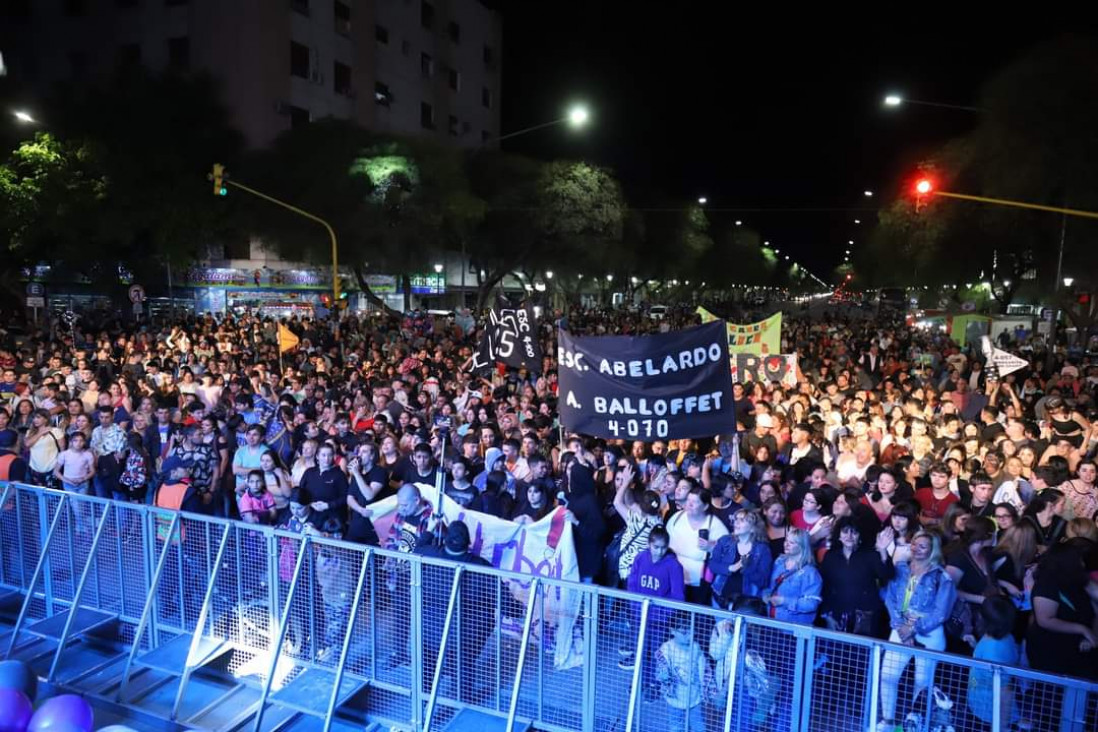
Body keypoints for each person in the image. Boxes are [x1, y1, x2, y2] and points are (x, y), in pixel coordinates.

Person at [877, 531, 956, 732]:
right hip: (900, 628)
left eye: (922, 546)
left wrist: (912, 629)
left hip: (929, 633)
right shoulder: (900, 568)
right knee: (887, 675)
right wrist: (900, 626)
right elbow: (889, 597)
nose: (916, 548)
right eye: (914, 543)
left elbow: (941, 612)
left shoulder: (941, 576)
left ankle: (916, 723)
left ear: (932, 550)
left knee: (922, 682)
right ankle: (888, 721)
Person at [1026, 538, 1098, 679]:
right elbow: (1045, 619)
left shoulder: (1078, 581)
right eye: (1079, 560)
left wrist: (1092, 635)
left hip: (1080, 653)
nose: (1083, 564)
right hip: (1052, 654)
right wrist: (1082, 629)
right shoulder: (1047, 584)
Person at [818, 516, 893, 636]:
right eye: (845, 531)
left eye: (854, 532)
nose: (849, 536)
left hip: (866, 617)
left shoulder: (870, 555)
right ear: (839, 535)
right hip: (836, 614)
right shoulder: (830, 556)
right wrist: (827, 615)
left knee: (861, 653)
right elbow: (824, 588)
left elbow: (887, 574)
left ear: (860, 536)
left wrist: (883, 550)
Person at [666, 486, 728, 605]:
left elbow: (729, 554)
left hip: (699, 585)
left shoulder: (715, 525)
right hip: (673, 580)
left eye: (694, 502)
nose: (689, 504)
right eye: (688, 500)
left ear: (705, 506)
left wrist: (713, 548)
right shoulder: (676, 518)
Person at [966, 597, 1022, 728]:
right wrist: (976, 647)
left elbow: (1006, 692)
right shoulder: (1005, 636)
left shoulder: (995, 651)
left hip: (989, 714)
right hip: (982, 705)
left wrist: (999, 727)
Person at [654, 610, 712, 732]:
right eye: (684, 632)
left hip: (694, 698)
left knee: (699, 726)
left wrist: (706, 690)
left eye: (691, 631)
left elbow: (703, 669)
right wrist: (665, 681)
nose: (689, 635)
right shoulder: (667, 648)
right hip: (674, 699)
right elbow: (662, 669)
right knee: (676, 726)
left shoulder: (695, 647)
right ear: (672, 631)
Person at [709, 509, 773, 610]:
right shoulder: (725, 541)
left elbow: (763, 581)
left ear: (753, 528)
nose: (736, 522)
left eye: (742, 520)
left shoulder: (762, 550)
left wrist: (747, 568)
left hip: (747, 604)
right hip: (720, 598)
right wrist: (731, 568)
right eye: (736, 519)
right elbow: (712, 565)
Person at [761, 526, 822, 624]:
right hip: (772, 620)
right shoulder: (779, 562)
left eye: (792, 543)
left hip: (793, 626)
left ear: (802, 546)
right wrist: (766, 595)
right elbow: (770, 587)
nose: (786, 544)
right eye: (786, 541)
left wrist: (784, 601)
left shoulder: (810, 573)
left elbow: (811, 603)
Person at [298, 443, 348, 532]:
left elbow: (346, 497)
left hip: (332, 519)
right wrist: (310, 504)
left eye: (330, 455)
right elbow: (301, 492)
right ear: (317, 456)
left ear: (333, 456)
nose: (327, 459)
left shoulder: (339, 475)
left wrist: (328, 505)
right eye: (323, 455)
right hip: (311, 516)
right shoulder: (309, 472)